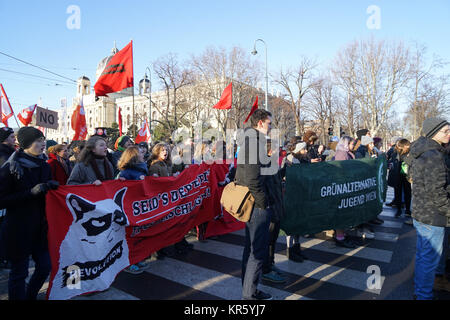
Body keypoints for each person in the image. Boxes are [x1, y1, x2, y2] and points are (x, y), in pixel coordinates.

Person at [0, 127, 59, 300]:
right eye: (38, 141)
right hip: (18, 228)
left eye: (43, 140)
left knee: (44, 267)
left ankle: (30, 295)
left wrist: (52, 189)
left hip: (40, 228)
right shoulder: (10, 167)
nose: (43, 144)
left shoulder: (44, 165)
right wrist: (30, 193)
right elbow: (2, 200)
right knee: (19, 272)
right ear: (26, 144)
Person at [405, 117, 450, 299]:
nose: (449, 134)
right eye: (445, 131)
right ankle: (423, 295)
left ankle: (420, 292)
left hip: (422, 212)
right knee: (428, 261)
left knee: (424, 257)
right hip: (433, 215)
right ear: (433, 133)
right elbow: (437, 192)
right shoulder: (434, 156)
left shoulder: (422, 151)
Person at [235, 109, 274, 300]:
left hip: (254, 203)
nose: (271, 127)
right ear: (259, 123)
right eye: (269, 123)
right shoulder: (253, 143)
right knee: (256, 252)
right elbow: (252, 178)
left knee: (251, 250)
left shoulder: (252, 141)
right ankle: (249, 295)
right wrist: (263, 203)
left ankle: (249, 290)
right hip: (256, 206)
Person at [117, 146, 151, 274]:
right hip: (131, 207)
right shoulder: (126, 172)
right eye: (140, 153)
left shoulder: (143, 168)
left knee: (139, 235)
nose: (143, 154)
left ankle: (137, 258)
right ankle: (128, 262)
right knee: (130, 236)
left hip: (141, 205)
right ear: (134, 156)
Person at [261, 140, 287, 283]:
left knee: (273, 239)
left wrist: (286, 170)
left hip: (277, 206)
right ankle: (265, 269)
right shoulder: (264, 164)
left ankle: (271, 264)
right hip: (270, 209)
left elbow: (277, 180)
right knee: (267, 240)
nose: (280, 152)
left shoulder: (273, 163)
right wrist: (268, 205)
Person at [284, 142, 309, 262]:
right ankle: (290, 250)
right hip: (292, 195)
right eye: (304, 150)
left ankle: (297, 248)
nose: (306, 152)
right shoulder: (290, 159)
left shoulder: (301, 160)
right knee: (292, 223)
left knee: (299, 223)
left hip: (300, 195)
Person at [332, 136, 358, 248]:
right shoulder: (341, 154)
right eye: (352, 144)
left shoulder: (345, 153)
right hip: (341, 188)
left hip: (346, 186)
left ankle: (342, 234)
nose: (353, 146)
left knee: (344, 212)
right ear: (346, 144)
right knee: (341, 213)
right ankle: (339, 237)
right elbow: (341, 171)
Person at [0, 127, 16, 269]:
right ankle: (3, 257)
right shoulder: (3, 154)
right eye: (11, 136)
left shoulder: (13, 152)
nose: (14, 139)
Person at [390, 139, 412, 219]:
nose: (409, 146)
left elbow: (411, 162)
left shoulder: (410, 153)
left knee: (408, 193)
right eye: (407, 145)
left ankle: (408, 210)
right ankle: (398, 210)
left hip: (407, 175)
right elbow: (391, 161)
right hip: (397, 175)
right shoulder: (395, 152)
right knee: (398, 193)